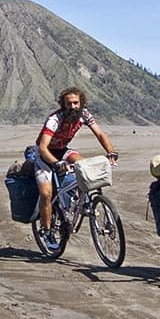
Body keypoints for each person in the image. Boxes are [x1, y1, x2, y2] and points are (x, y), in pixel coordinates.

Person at [29, 87, 120, 241]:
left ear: (81, 102)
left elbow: (99, 133)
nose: (73, 107)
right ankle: (46, 230)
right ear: (63, 104)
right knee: (46, 193)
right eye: (69, 103)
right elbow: (43, 147)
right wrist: (57, 163)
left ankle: (79, 200)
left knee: (84, 166)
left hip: (62, 150)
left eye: (76, 103)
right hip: (44, 155)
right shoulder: (55, 119)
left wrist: (111, 151)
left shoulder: (84, 114)